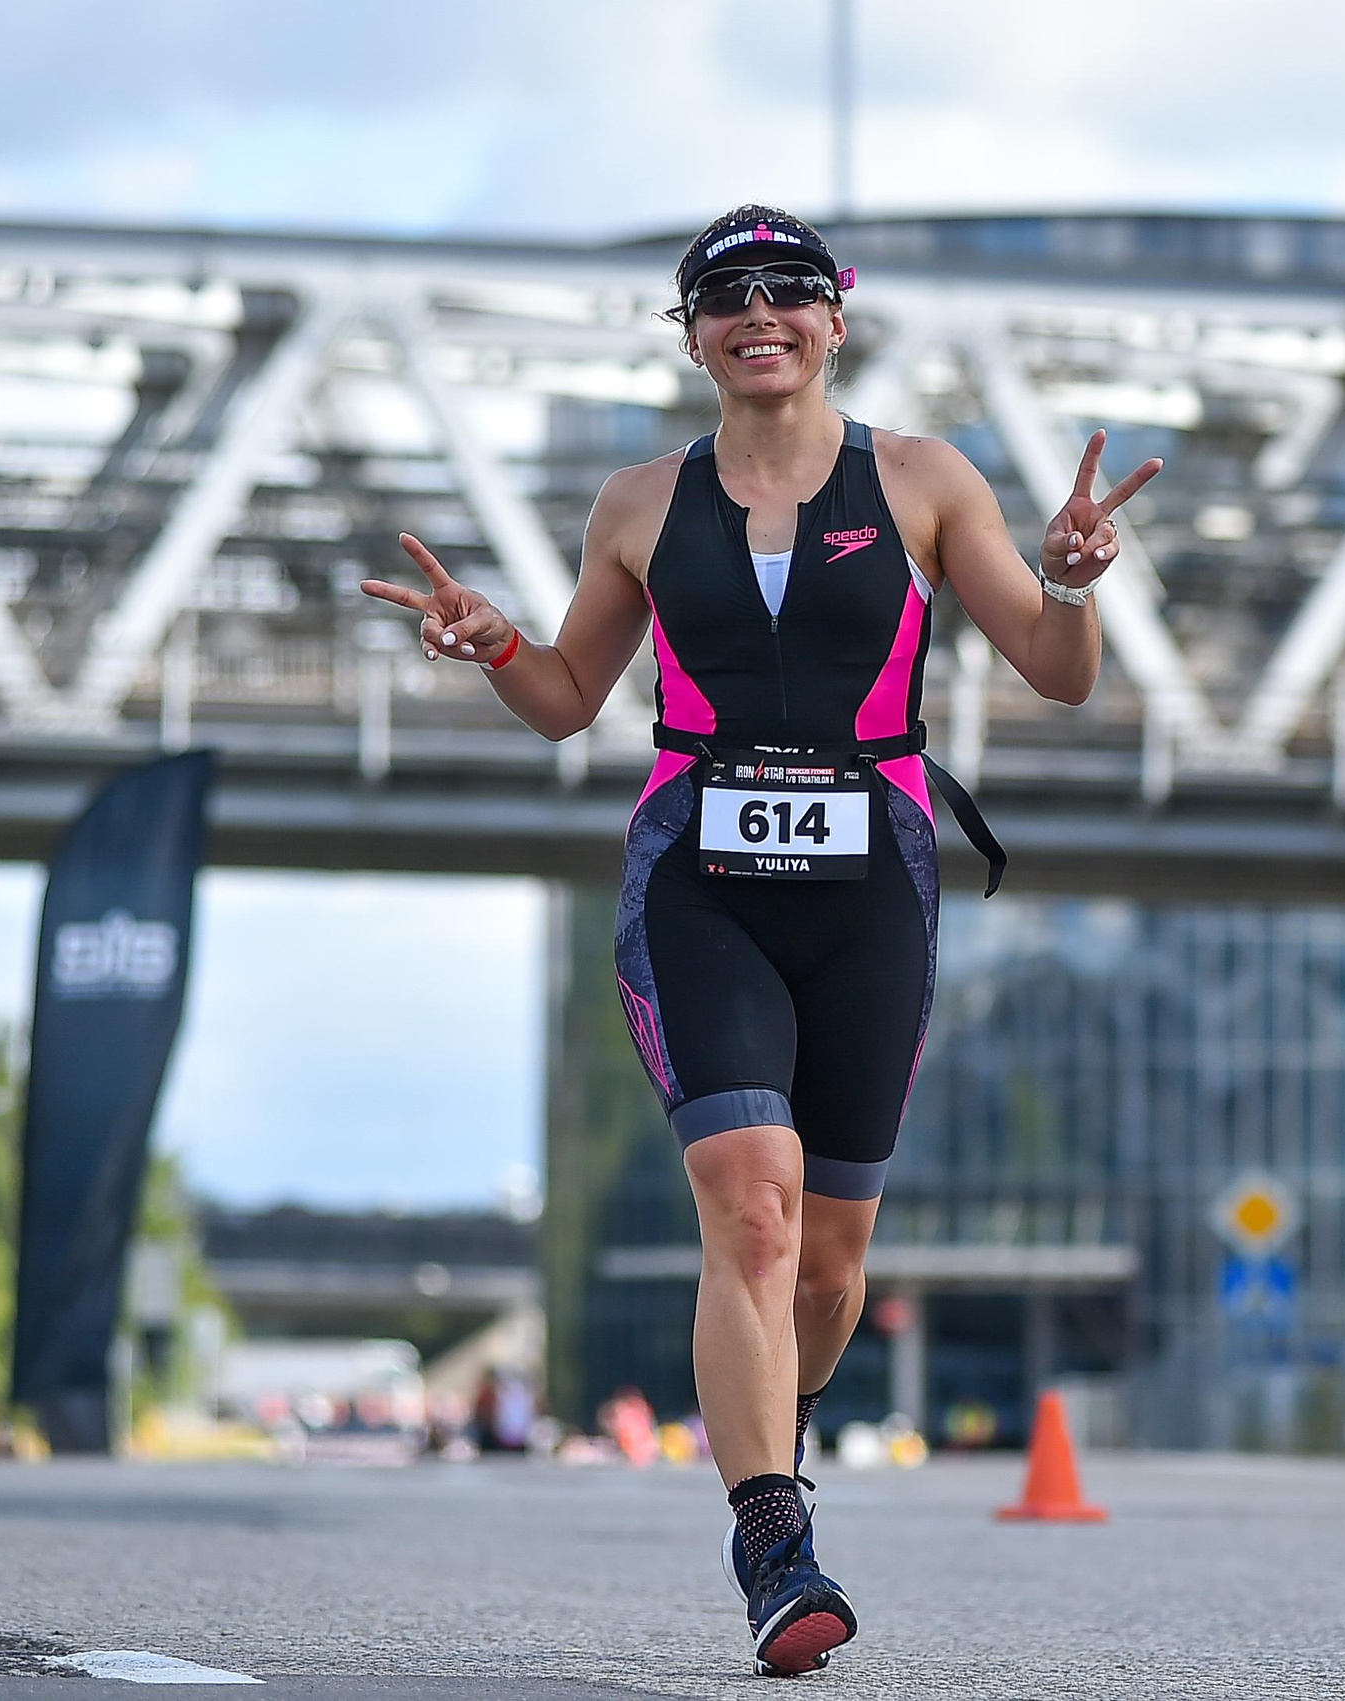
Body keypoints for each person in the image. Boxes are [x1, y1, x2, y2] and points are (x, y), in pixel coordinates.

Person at [360, 204, 1157, 1677]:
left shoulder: (922, 481)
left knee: (830, 1266)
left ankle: (771, 1412)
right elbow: (567, 697)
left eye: (790, 288)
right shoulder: (638, 504)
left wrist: (1069, 581)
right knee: (753, 1206)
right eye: (725, 295)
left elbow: (1055, 674)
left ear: (836, 318)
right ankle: (772, 1538)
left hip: (872, 891)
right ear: (691, 335)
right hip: (700, 884)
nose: (759, 312)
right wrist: (494, 647)